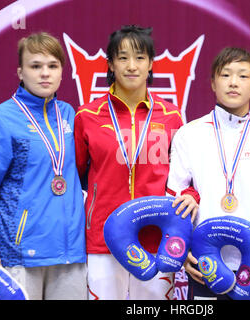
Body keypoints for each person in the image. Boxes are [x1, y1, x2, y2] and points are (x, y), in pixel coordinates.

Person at [74, 25, 198, 300]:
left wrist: (190, 195)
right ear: (110, 64)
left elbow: (186, 178)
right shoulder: (87, 116)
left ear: (151, 63)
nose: (132, 66)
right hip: (102, 242)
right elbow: (75, 178)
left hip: (156, 241)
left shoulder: (172, 117)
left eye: (140, 57)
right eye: (123, 57)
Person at [166, 47, 250, 300]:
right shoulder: (189, 134)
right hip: (204, 265)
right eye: (225, 75)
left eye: (243, 76)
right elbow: (175, 196)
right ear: (213, 82)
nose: (233, 82)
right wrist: (184, 251)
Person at [0, 32, 87, 300]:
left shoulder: (70, 114)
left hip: (70, 256)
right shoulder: (0, 119)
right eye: (35, 66)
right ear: (21, 72)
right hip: (21, 253)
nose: (44, 73)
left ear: (62, 73)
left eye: (52, 66)